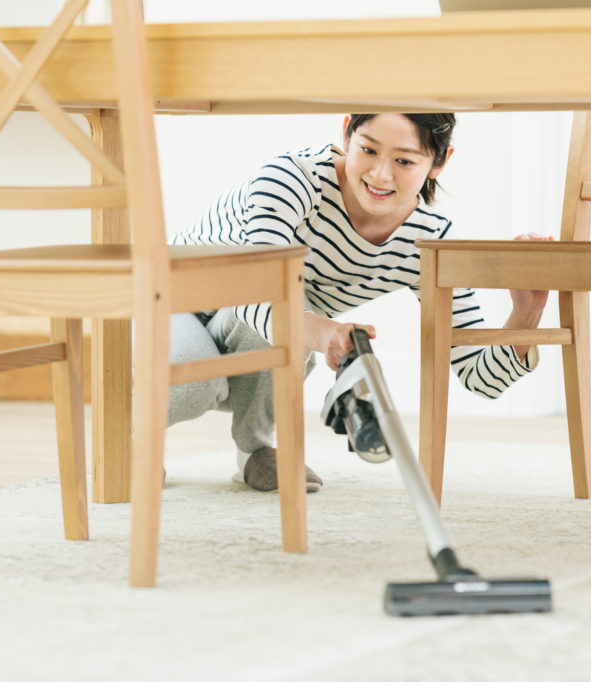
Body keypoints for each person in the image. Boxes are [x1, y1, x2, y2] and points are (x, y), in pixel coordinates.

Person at [168, 113, 551, 493]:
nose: (381, 175)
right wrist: (327, 334)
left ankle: (256, 448)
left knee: (291, 311)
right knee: (201, 379)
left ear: (439, 162)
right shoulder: (292, 179)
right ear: (347, 133)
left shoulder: (427, 242)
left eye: (404, 160)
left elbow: (480, 378)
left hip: (257, 328)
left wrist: (526, 312)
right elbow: (257, 289)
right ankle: (127, 438)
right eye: (368, 150)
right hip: (172, 302)